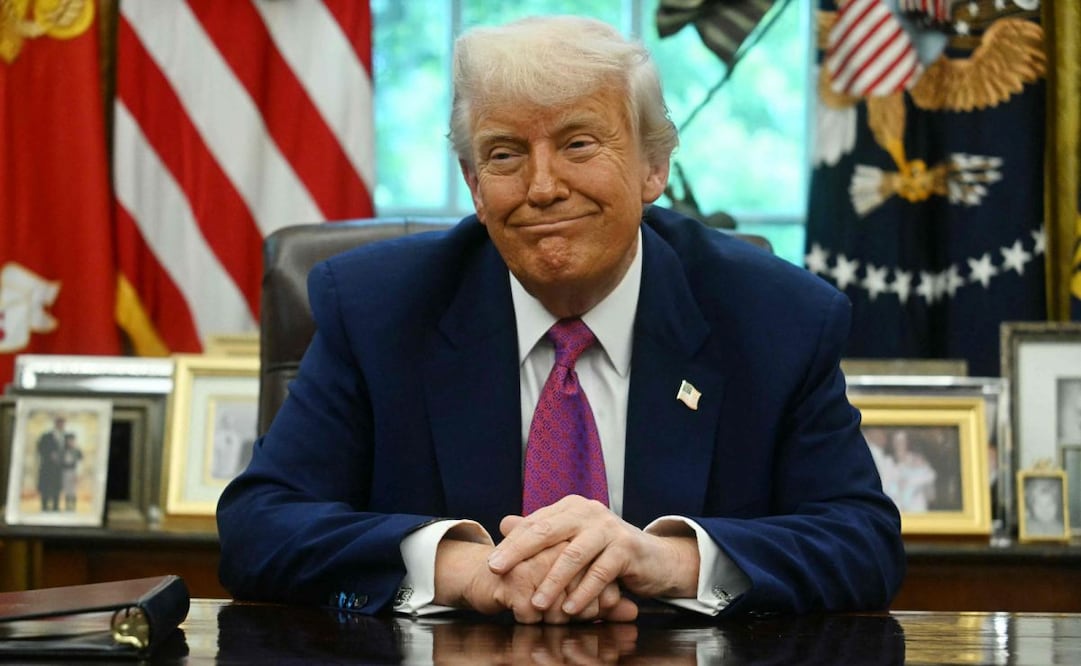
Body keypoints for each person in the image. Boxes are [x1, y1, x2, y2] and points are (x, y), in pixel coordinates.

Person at [217, 15, 904, 623]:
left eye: (579, 144)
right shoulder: (379, 309)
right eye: (505, 154)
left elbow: (861, 542)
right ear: (474, 186)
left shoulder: (776, 318)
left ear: (653, 167)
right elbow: (259, 527)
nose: (542, 188)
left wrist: (663, 559)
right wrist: (464, 570)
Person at [35, 416, 65, 512]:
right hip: (47, 466)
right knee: (46, 486)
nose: (61, 425)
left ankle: (55, 506)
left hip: (58, 468)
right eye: (59, 423)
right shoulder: (46, 436)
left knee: (57, 487)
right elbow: (40, 448)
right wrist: (49, 455)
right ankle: (44, 506)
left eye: (62, 424)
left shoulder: (65, 437)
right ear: (56, 424)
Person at [60, 432, 83, 511]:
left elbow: (80, 463)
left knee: (73, 490)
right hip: (65, 472)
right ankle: (67, 506)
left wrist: (78, 474)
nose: (71, 442)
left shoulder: (77, 451)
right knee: (67, 490)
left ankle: (73, 506)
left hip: (74, 472)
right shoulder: (63, 450)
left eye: (72, 440)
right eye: (69, 441)